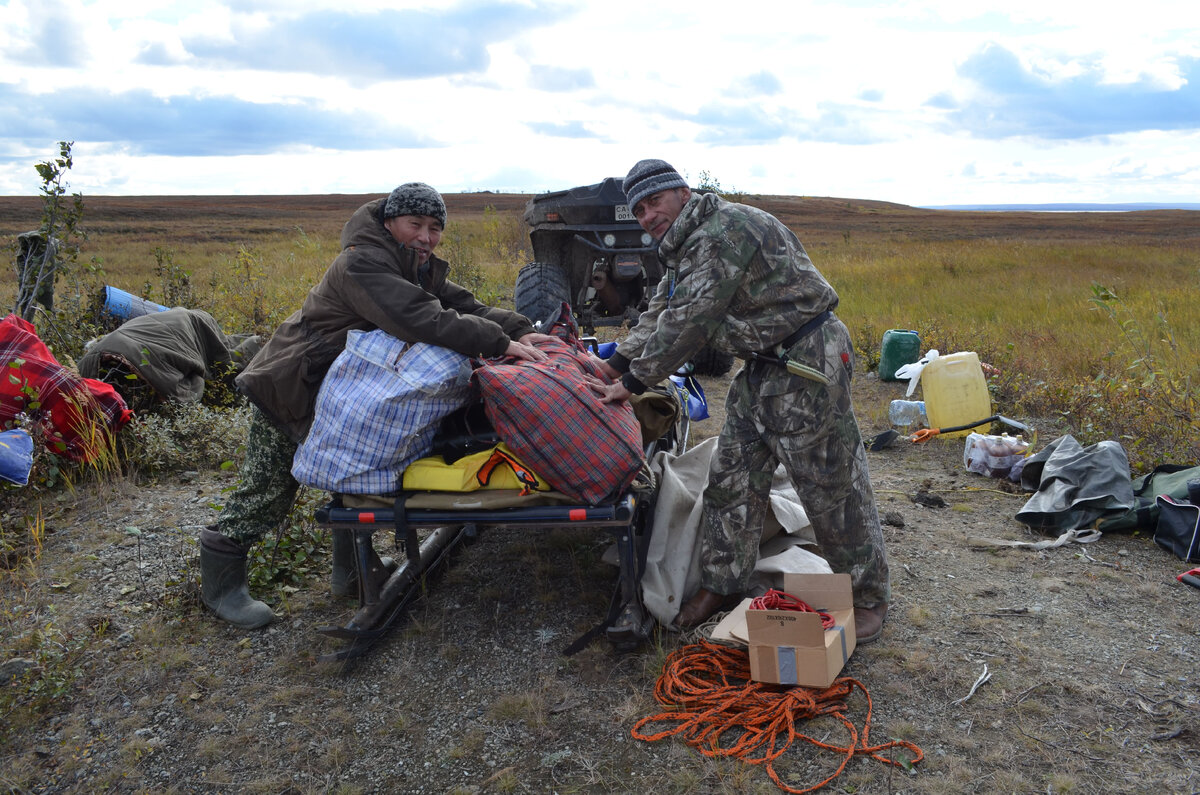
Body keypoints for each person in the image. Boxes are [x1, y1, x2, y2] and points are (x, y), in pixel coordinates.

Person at [200, 183, 552, 629]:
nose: (426, 237)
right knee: (267, 494)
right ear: (390, 223)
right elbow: (419, 317)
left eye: (435, 228)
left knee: (349, 477)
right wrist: (500, 343)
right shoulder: (363, 262)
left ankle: (350, 574)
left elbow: (462, 304)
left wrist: (519, 331)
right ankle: (222, 586)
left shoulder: (415, 264)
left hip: (344, 393)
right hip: (293, 386)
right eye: (416, 225)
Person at [587, 160, 890, 643]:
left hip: (806, 360)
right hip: (762, 366)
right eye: (639, 209)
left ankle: (867, 595)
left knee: (831, 485)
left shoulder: (722, 232)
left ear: (682, 194)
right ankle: (722, 585)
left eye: (654, 203)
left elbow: (690, 321)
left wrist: (634, 381)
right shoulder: (684, 246)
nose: (647, 216)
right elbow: (662, 310)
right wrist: (613, 364)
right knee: (731, 478)